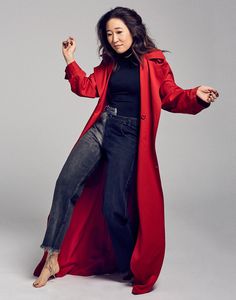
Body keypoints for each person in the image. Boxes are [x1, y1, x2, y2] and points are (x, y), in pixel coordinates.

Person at [32, 6, 219, 294]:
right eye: (109, 34)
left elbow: (170, 96)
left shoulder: (155, 63)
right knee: (65, 184)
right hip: (101, 126)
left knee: (113, 207)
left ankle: (130, 262)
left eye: (119, 32)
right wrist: (70, 60)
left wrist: (195, 96)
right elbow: (87, 87)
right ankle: (52, 257)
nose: (115, 39)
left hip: (129, 134)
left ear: (134, 30)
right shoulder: (110, 63)